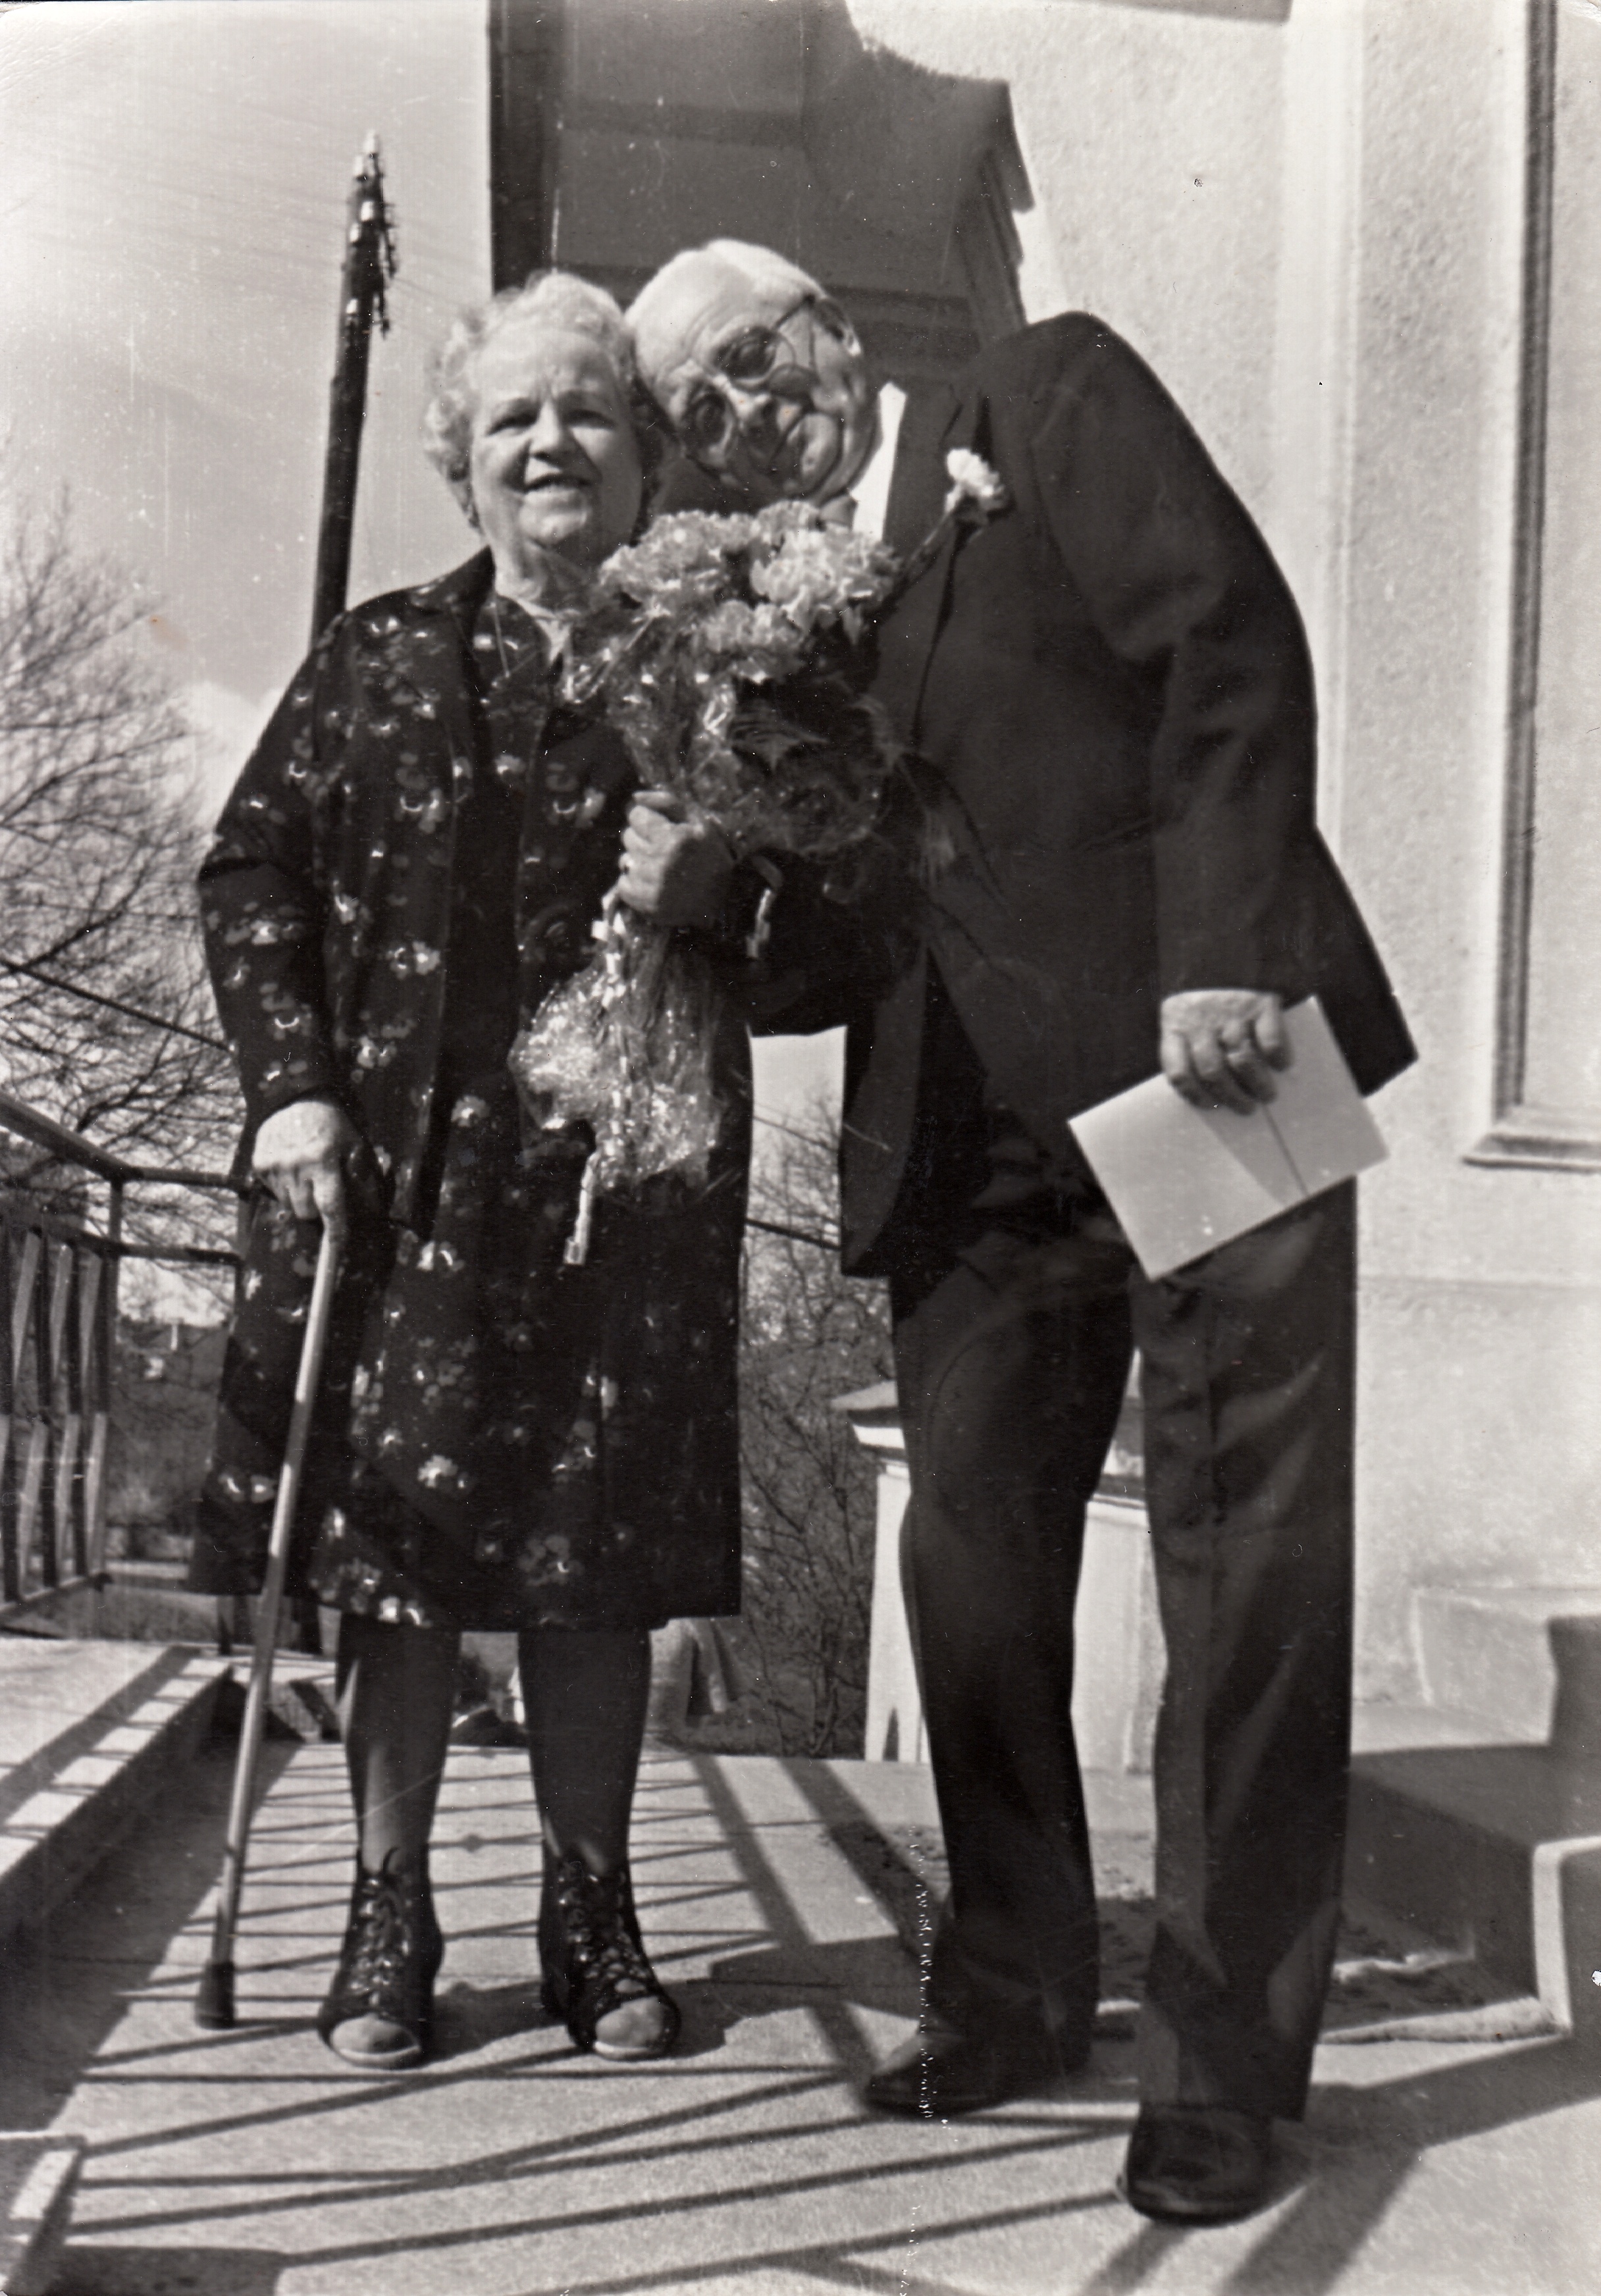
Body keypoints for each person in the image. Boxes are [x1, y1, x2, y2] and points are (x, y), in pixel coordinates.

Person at [629, 240, 1416, 2222]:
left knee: (1244, 1563)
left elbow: (1228, 640)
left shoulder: (1044, 391)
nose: (743, 419)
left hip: (1206, 1068)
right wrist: (716, 900)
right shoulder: (792, 619)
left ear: (827, 320)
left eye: (749, 361)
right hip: (971, 1158)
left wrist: (1226, 954)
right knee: (972, 1573)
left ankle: (1220, 2070)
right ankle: (1012, 1988)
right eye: (699, 415)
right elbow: (841, 948)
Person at [189, 271, 744, 2075]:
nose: (551, 442)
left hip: (623, 1174)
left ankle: (591, 1913)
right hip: (407, 1175)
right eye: (514, 417)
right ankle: (389, 1909)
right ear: (464, 462)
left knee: (600, 1553)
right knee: (399, 1556)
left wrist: (722, 887)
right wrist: (290, 1090)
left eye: (587, 410)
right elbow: (249, 870)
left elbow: (822, 900)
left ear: (648, 454)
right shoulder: (374, 659)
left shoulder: (715, 667)